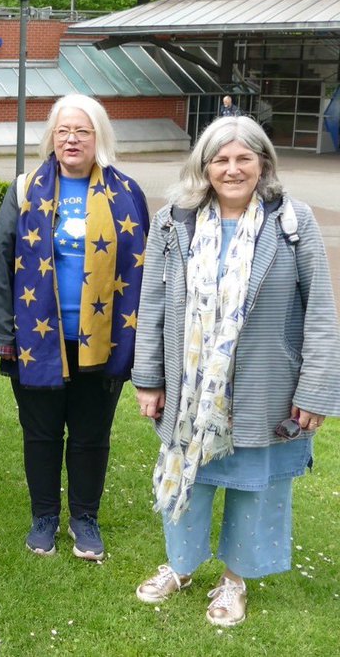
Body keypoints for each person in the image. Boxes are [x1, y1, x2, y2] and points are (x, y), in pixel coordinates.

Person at [132, 116, 338, 627]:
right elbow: (153, 304)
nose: (232, 169)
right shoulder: (173, 220)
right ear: (204, 166)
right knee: (190, 475)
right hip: (190, 388)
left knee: (255, 482)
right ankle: (181, 566)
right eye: (220, 159)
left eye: (244, 158)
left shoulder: (294, 221)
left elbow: (320, 311)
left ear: (263, 163)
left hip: (267, 384)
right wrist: (148, 378)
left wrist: (314, 388)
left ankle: (235, 580)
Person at [0, 94, 149, 560]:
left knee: (91, 434)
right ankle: (44, 517)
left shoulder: (127, 193)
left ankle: (84, 518)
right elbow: (0, 266)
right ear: (51, 138)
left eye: (82, 131)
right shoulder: (24, 189)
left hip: (104, 339)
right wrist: (2, 336)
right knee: (40, 432)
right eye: (63, 131)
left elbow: (145, 271)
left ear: (100, 137)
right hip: (38, 340)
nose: (71, 139)